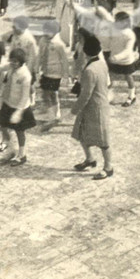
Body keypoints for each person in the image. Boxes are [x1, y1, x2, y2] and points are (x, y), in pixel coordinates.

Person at [70, 35, 114, 180]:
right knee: (82, 133)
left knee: (102, 140)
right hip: (94, 106)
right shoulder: (101, 63)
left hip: (95, 108)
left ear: (85, 51)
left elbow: (86, 94)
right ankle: (90, 159)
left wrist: (74, 110)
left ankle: (108, 167)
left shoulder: (91, 70)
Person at [37, 20, 71, 126]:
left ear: (55, 32)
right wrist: (37, 68)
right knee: (45, 92)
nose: (46, 33)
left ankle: (56, 114)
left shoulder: (59, 44)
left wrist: (66, 75)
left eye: (48, 31)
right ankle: (50, 112)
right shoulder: (43, 40)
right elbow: (40, 55)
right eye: (45, 31)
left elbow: (65, 61)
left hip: (55, 73)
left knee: (53, 93)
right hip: (45, 71)